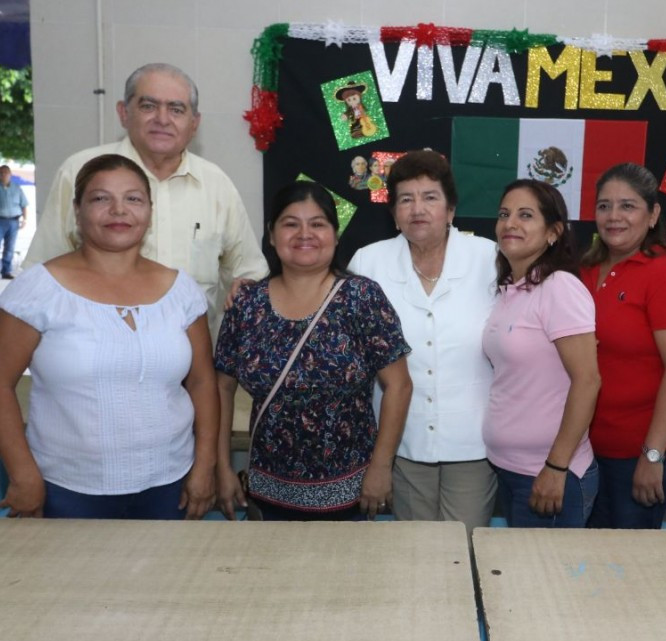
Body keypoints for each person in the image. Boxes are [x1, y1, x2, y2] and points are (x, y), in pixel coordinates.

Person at [0, 154, 218, 519]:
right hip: (67, 488)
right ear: (77, 210)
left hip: (171, 483)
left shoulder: (181, 290)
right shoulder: (38, 290)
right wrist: (23, 474)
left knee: (169, 577)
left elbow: (202, 382)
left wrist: (206, 465)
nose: (118, 210)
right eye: (101, 198)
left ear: (149, 211)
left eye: (133, 199)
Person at [214, 181, 412, 521]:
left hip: (348, 495)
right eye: (291, 224)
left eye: (318, 224)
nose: (304, 234)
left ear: (335, 235)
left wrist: (381, 468)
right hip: (266, 493)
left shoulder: (361, 298)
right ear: (272, 236)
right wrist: (220, 466)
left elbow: (399, 385)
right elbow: (220, 388)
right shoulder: (247, 304)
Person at [25, 63, 268, 337]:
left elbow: (250, 271)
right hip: (90, 361)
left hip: (190, 368)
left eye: (176, 109)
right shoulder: (80, 171)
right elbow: (38, 277)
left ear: (194, 123)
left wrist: (246, 287)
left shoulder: (216, 184)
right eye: (148, 106)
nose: (162, 119)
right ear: (123, 113)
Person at [349, 150, 499, 533]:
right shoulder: (368, 263)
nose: (418, 209)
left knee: (465, 554)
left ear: (451, 210)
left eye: (430, 197)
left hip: (474, 444)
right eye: (405, 199)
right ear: (394, 212)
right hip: (403, 443)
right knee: (415, 556)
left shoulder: (491, 259)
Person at [580, 164, 666, 529]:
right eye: (604, 206)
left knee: (627, 573)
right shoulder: (583, 271)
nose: (614, 217)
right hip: (584, 451)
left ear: (653, 214)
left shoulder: (665, 277)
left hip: (638, 453)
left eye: (627, 206)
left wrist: (653, 455)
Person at [483, 179, 600, 528]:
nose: (510, 223)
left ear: (553, 232)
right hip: (508, 470)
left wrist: (556, 466)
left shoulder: (560, 288)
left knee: (545, 583)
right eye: (504, 214)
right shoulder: (509, 292)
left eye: (525, 215)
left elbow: (588, 381)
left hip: (549, 475)